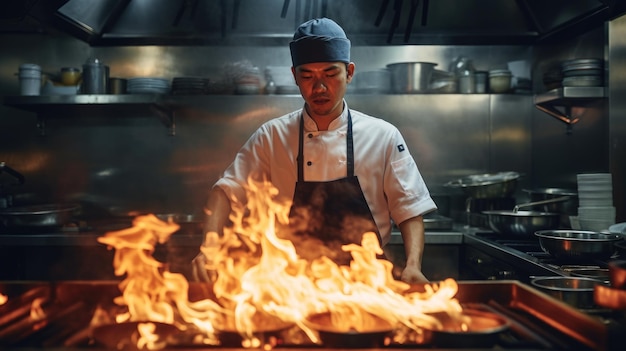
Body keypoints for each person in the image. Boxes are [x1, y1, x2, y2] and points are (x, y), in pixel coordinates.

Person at [194, 18, 436, 283]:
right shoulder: (271, 137)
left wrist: (413, 265)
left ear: (350, 73)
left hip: (366, 282)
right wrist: (209, 249)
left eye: (330, 74)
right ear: (295, 77)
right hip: (292, 284)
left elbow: (409, 208)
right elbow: (226, 192)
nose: (319, 87)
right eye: (307, 76)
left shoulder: (383, 136)